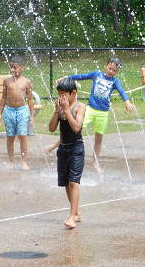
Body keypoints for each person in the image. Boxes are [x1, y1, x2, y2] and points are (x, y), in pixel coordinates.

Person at [49, 56, 135, 172]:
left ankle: (95, 162)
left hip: (103, 113)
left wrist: (127, 102)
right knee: (73, 129)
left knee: (98, 139)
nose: (111, 72)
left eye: (114, 70)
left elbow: (122, 91)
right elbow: (81, 76)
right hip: (90, 109)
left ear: (118, 71)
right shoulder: (97, 74)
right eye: (110, 68)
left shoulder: (115, 81)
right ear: (106, 66)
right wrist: (66, 78)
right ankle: (54, 146)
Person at [49, 77, 85, 229]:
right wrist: (58, 112)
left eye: (64, 94)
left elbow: (77, 128)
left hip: (76, 149)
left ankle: (71, 217)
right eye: (59, 94)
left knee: (74, 182)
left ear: (73, 93)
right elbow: (51, 128)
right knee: (65, 184)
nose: (61, 98)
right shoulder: (60, 107)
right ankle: (76, 212)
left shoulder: (79, 107)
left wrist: (67, 110)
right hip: (63, 149)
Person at [0, 55, 35, 170]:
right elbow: (3, 97)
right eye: (11, 67)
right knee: (10, 137)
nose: (12, 70)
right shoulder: (6, 81)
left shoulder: (26, 82)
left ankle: (24, 161)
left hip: (22, 111)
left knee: (22, 136)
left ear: (22, 67)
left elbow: (30, 99)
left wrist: (32, 115)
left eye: (15, 67)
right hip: (9, 111)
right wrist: (0, 113)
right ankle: (11, 161)